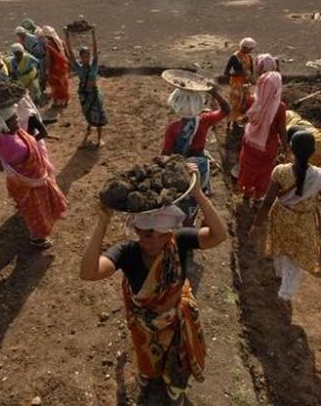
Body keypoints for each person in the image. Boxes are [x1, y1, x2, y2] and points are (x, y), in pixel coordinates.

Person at [80, 164, 227, 404]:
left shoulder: (179, 241)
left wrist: (198, 193)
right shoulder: (127, 252)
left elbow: (219, 235)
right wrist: (102, 224)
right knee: (146, 356)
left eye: (162, 234)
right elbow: (89, 272)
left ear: (170, 232)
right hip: (143, 322)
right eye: (148, 234)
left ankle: (175, 387)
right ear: (137, 230)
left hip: (176, 316)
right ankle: (148, 373)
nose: (155, 241)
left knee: (178, 356)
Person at [249, 131, 321, 301]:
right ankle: (286, 293)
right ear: (313, 151)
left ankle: (281, 274)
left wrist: (256, 224)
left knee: (280, 247)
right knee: (295, 256)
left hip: (281, 218)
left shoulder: (280, 171)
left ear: (291, 149)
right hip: (304, 222)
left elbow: (267, 202)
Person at [0, 105, 67, 248]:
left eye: (16, 117)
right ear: (2, 124)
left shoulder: (17, 133)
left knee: (40, 207)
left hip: (36, 178)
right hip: (26, 184)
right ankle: (37, 238)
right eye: (12, 119)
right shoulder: (2, 140)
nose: (17, 120)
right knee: (35, 212)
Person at [161, 85, 231, 195]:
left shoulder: (172, 129)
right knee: (198, 190)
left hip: (181, 167)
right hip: (199, 163)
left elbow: (166, 154)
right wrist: (214, 93)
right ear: (199, 103)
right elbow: (226, 109)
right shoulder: (205, 120)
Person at [236, 71, 288, 203]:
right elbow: (282, 130)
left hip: (250, 142)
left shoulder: (252, 100)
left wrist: (244, 95)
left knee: (248, 169)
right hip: (267, 148)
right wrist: (286, 147)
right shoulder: (280, 107)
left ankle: (246, 195)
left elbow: (242, 111)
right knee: (264, 173)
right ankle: (258, 196)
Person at [64, 26, 108, 148]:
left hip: (94, 95)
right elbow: (70, 54)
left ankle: (99, 139)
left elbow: (95, 50)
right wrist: (66, 36)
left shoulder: (94, 66)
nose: (86, 58)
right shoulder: (79, 68)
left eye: (87, 56)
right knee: (88, 116)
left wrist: (93, 34)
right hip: (85, 96)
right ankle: (87, 137)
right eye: (83, 56)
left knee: (99, 116)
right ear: (80, 57)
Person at [224, 37, 256, 127]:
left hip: (246, 84)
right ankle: (229, 123)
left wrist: (251, 80)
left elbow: (251, 71)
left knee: (244, 103)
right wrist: (236, 74)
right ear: (244, 48)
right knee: (234, 103)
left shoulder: (249, 57)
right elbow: (226, 72)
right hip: (236, 84)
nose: (251, 51)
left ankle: (239, 122)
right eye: (250, 49)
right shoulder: (234, 57)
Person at [37, 25, 70, 107]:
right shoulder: (60, 42)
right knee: (63, 84)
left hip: (55, 69)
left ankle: (58, 101)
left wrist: (48, 70)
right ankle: (65, 100)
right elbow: (66, 54)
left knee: (56, 85)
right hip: (63, 67)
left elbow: (49, 59)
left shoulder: (49, 45)